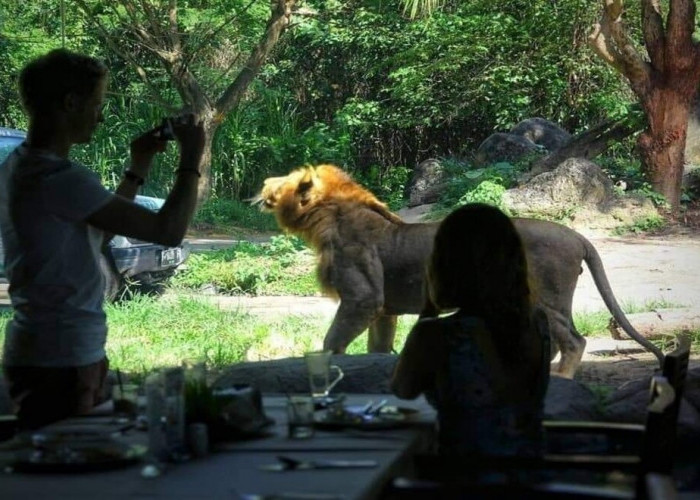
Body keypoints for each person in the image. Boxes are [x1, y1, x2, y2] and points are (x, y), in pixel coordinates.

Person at [0, 49, 205, 429]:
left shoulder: (20, 166)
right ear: (70, 103)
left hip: (48, 349)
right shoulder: (58, 177)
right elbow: (168, 231)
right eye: (96, 104)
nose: (101, 115)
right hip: (62, 356)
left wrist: (138, 163)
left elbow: (105, 230)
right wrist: (191, 158)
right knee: (72, 475)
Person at [391, 203, 550, 457]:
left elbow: (402, 390)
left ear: (444, 264)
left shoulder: (438, 334)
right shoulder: (537, 322)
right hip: (531, 476)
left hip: (463, 481)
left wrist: (427, 309)